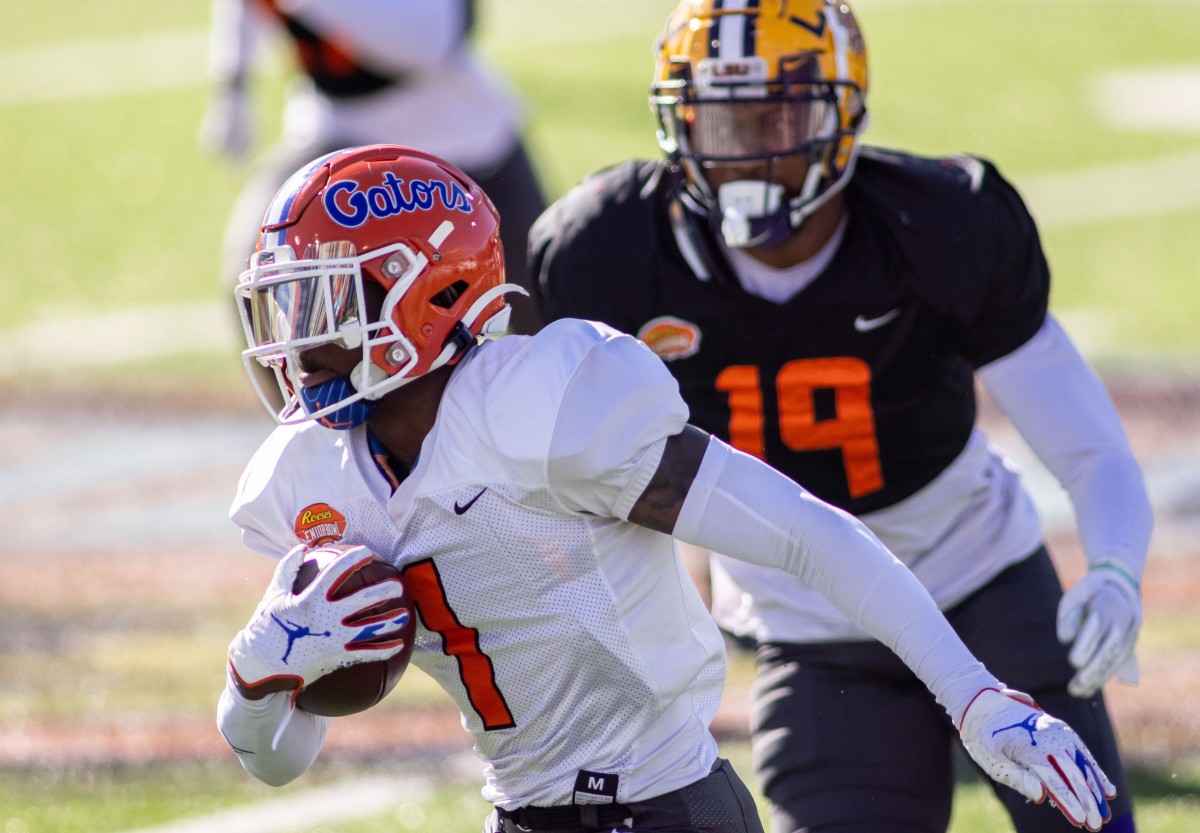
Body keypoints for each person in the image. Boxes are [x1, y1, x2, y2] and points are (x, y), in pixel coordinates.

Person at [214, 144, 1116, 833]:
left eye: (322, 306)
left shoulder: (549, 407)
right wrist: (253, 681)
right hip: (517, 813)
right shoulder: (307, 477)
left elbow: (802, 530)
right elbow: (280, 760)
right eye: (285, 309)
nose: (293, 343)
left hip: (668, 807)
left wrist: (973, 695)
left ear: (426, 295)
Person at [527, 1, 1153, 832]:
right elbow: (549, 477)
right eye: (719, 121)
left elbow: (1090, 449)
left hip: (977, 579)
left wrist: (1113, 566)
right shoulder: (604, 250)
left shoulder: (939, 224)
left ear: (843, 112)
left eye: (776, 116)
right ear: (675, 122)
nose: (748, 149)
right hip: (810, 625)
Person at [199, 0, 546, 335]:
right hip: (335, 133)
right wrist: (234, 83)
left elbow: (428, 43)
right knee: (256, 275)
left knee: (542, 305)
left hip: (461, 141)